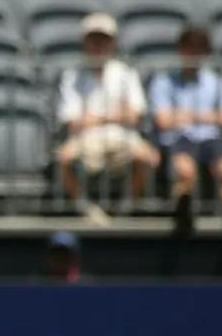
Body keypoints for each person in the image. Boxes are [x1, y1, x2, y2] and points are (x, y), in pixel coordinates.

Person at [149, 25, 222, 275]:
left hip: (210, 138)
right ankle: (184, 215)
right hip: (179, 139)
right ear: (180, 50)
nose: (193, 53)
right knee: (184, 170)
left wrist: (185, 115)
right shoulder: (163, 81)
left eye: (199, 48)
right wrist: (205, 116)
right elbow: (162, 120)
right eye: (189, 47)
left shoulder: (219, 82)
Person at [56, 13, 159, 211]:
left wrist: (95, 117)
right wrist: (114, 116)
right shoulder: (72, 76)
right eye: (93, 40)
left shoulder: (126, 74)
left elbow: (134, 116)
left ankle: (126, 208)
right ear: (85, 43)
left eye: (103, 40)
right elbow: (72, 121)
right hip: (86, 139)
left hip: (123, 137)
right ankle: (85, 208)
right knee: (63, 159)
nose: (98, 46)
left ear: (112, 43)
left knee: (149, 157)